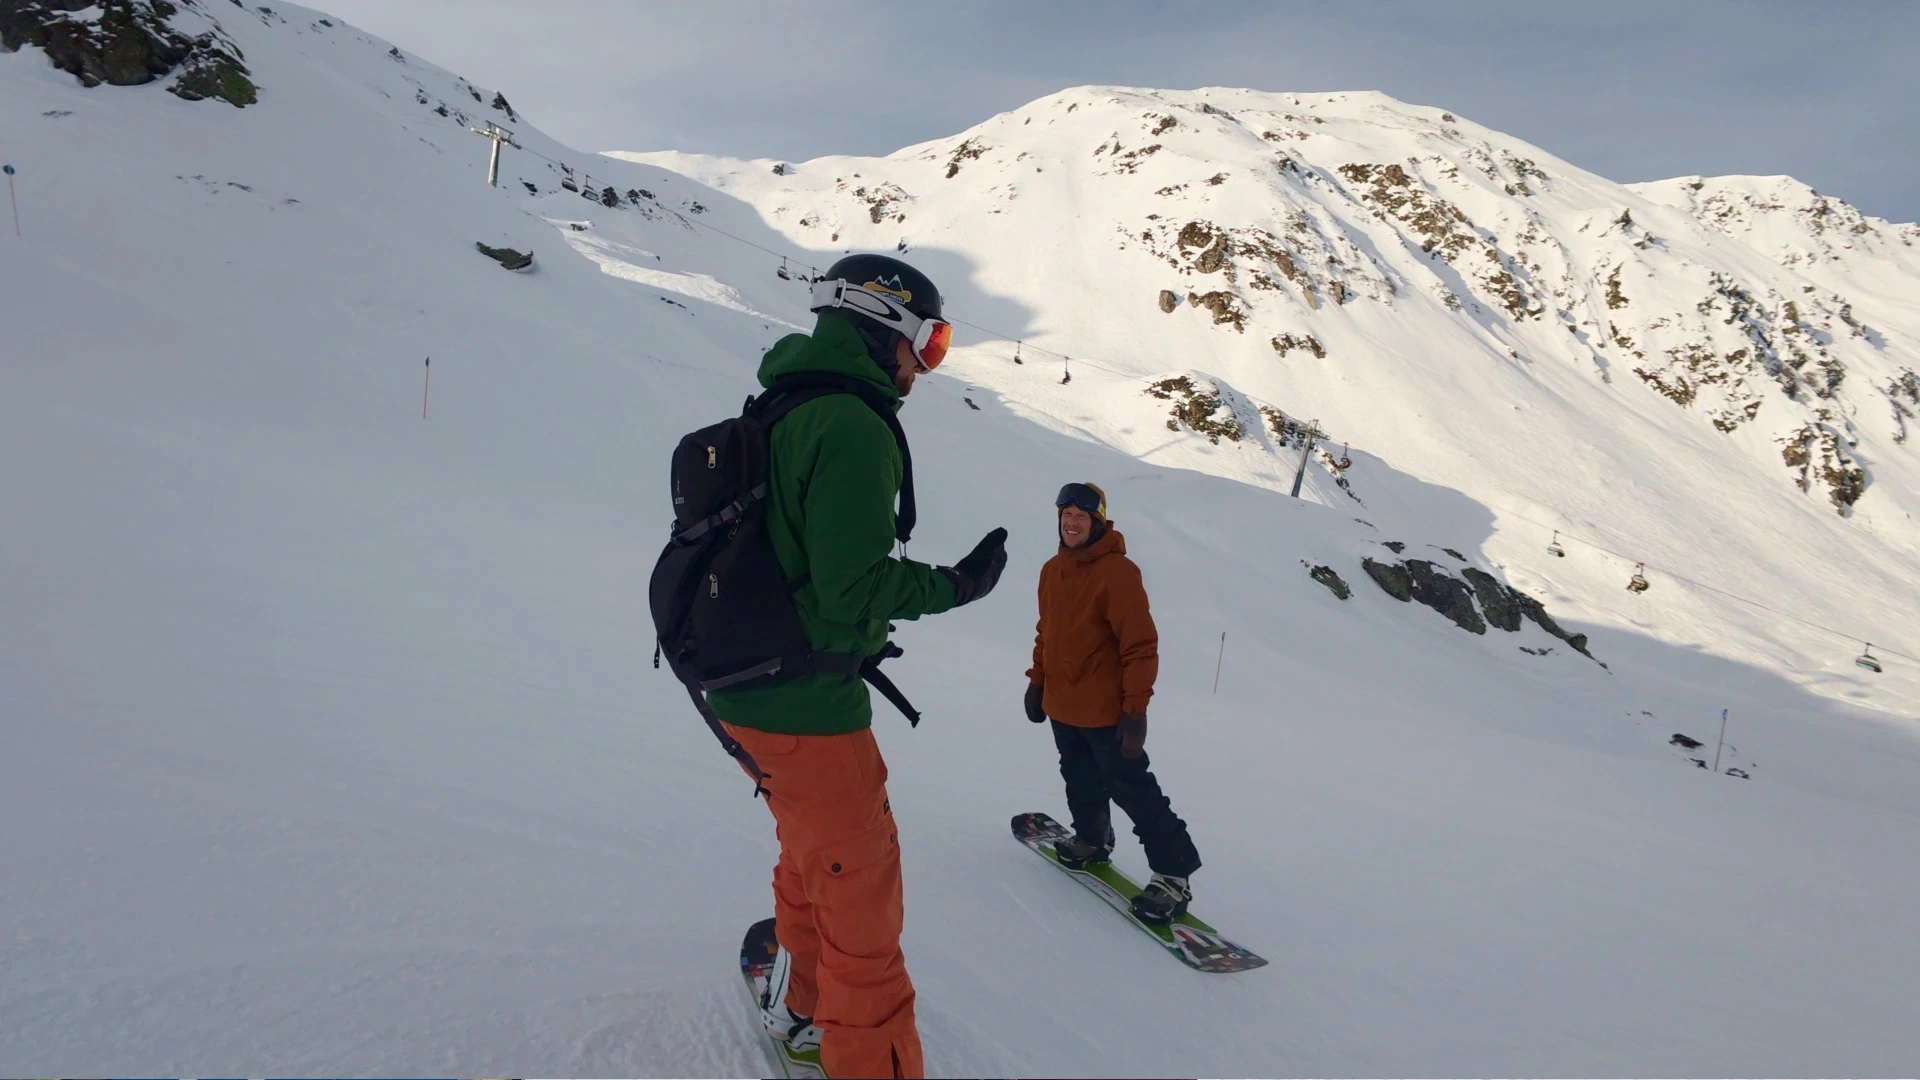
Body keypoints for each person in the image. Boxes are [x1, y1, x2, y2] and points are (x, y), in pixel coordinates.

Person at [709, 253, 1008, 1080]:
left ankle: (805, 1010)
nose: (925, 364)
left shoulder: (785, 403)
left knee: (814, 859)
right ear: (885, 328)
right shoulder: (849, 424)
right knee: (863, 913)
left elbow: (807, 565)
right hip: (805, 707)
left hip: (750, 692)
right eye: (928, 342)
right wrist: (957, 586)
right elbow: (853, 587)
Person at [1024, 481, 1201, 923]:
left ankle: (1173, 875)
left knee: (1133, 791)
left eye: (1081, 516)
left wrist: (1135, 710)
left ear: (1097, 522)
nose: (1071, 522)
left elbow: (1140, 646)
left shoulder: (1118, 573)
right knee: (1079, 779)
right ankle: (1092, 838)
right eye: (1065, 515)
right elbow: (1047, 633)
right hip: (1063, 706)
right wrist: (1037, 682)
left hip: (1105, 711)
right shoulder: (1051, 570)